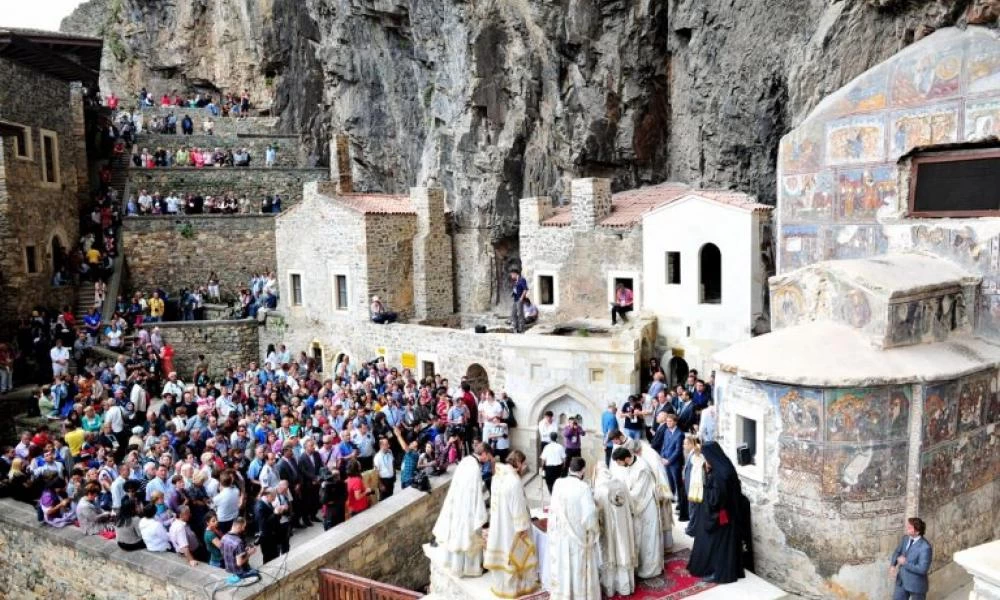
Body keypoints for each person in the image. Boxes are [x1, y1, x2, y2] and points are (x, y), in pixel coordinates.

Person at [686, 441, 747, 584]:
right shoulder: (725, 467)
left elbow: (716, 500)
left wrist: (705, 486)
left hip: (720, 516)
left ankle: (719, 572)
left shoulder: (720, 475)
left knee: (718, 545)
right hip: (728, 514)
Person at [483, 450, 539, 598]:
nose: (524, 466)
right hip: (511, 528)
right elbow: (518, 507)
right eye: (524, 463)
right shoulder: (513, 481)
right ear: (518, 463)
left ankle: (501, 587)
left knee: (503, 556)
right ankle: (517, 588)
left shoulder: (498, 476)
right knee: (517, 557)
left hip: (499, 523)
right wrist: (522, 528)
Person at [547, 457, 600, 600]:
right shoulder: (584, 488)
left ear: (569, 468)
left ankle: (563, 594)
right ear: (582, 470)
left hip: (561, 535)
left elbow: (554, 509)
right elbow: (589, 516)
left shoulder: (558, 483)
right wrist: (595, 530)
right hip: (578, 536)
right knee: (577, 566)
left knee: (563, 565)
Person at [431, 453, 488, 577]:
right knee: (467, 539)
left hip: (457, 506)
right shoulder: (475, 469)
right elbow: (477, 493)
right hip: (469, 510)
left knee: (457, 539)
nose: (487, 460)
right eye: (487, 457)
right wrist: (482, 514)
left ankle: (456, 566)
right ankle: (471, 568)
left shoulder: (465, 461)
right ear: (483, 454)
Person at [611, 446, 663, 579]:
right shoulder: (629, 465)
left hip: (646, 506)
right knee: (638, 538)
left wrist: (622, 498)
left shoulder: (642, 468)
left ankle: (651, 569)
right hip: (638, 507)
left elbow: (638, 492)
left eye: (619, 462)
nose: (618, 465)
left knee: (648, 539)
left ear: (626, 458)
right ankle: (639, 566)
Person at [593, 463, 636, 597]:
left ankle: (610, 588)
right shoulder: (621, 484)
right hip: (623, 528)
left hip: (609, 529)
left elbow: (596, 514)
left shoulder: (600, 489)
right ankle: (625, 586)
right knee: (623, 551)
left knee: (610, 554)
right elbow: (631, 507)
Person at [890, 517, 932, 600]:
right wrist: (893, 565)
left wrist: (905, 563)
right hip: (901, 581)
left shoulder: (925, 547)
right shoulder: (905, 538)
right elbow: (897, 551)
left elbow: (922, 569)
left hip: (916, 584)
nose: (907, 528)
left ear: (917, 531)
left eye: (910, 527)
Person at [683, 434, 705, 537]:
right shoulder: (690, 454)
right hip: (690, 486)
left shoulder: (695, 456)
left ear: (692, 444)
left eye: (686, 443)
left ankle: (692, 529)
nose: (684, 445)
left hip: (694, 487)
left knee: (693, 509)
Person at [509, 268, 528, 333]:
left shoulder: (522, 280)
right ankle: (515, 328)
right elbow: (515, 289)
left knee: (520, 314)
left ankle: (521, 329)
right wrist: (512, 293)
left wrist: (521, 298)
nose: (511, 276)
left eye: (511, 275)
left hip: (519, 299)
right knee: (513, 313)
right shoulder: (515, 281)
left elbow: (525, 289)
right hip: (515, 299)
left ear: (515, 274)